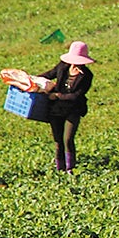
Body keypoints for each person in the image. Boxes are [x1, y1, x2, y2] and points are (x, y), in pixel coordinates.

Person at [41, 40, 93, 173]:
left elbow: (76, 95)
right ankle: (60, 169)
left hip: (73, 110)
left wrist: (57, 96)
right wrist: (31, 80)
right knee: (58, 141)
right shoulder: (63, 66)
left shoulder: (86, 76)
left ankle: (70, 168)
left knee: (68, 139)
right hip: (56, 110)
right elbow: (49, 75)